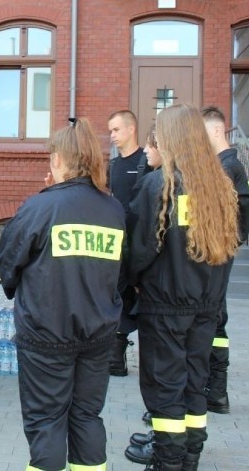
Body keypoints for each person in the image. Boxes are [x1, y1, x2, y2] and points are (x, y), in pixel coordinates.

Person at [0, 118, 125, 471]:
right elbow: (121, 272)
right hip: (98, 335)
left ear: (59, 160)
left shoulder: (40, 207)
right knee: (86, 416)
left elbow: (8, 262)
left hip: (46, 335)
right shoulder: (113, 210)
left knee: (46, 421)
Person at [123, 104, 239, 471]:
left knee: (165, 388)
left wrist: (131, 286)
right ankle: (190, 457)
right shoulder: (219, 185)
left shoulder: (161, 184)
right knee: (194, 385)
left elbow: (138, 249)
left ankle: (167, 461)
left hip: (165, 306)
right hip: (206, 307)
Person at [201, 106, 249, 414]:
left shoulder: (224, 167)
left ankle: (216, 390)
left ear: (217, 131)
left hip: (216, 254)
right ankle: (216, 389)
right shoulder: (231, 165)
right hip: (223, 251)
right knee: (217, 316)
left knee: (215, 318)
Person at [107, 109, 150, 377]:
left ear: (131, 129)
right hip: (118, 241)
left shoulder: (147, 161)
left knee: (141, 295)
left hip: (141, 242)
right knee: (119, 293)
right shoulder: (114, 165)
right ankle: (116, 354)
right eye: (110, 130)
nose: (111, 135)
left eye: (116, 130)